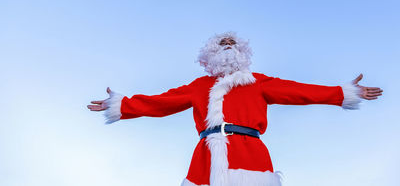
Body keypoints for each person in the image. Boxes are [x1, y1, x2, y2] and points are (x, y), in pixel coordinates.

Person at [88, 32, 382, 186]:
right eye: (222, 43)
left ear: (242, 51)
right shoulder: (198, 86)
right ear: (210, 54)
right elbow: (159, 102)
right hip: (206, 156)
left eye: (233, 43)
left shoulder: (258, 82)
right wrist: (121, 105)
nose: (228, 46)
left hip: (249, 152)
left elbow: (299, 90)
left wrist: (342, 92)